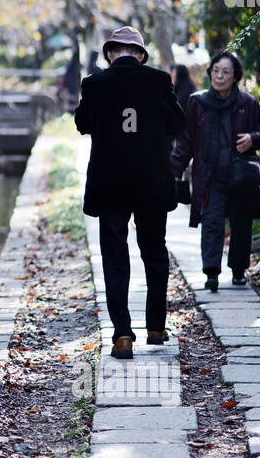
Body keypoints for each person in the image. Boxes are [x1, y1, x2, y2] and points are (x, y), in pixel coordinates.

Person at [74, 26, 186, 360]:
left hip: (110, 183)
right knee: (154, 251)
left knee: (114, 257)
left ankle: (122, 334)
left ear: (111, 53)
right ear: (139, 54)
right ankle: (155, 327)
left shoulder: (94, 84)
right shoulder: (159, 81)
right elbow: (177, 124)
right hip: (151, 181)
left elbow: (82, 124)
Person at [169, 49, 260, 292]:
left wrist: (252, 138)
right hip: (209, 176)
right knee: (212, 222)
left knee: (241, 224)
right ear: (210, 73)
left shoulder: (247, 103)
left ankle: (238, 271)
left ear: (235, 76)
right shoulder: (197, 102)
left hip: (240, 176)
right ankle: (211, 273)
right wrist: (175, 169)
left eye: (225, 72)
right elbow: (185, 141)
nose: (219, 76)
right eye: (215, 71)